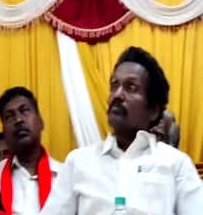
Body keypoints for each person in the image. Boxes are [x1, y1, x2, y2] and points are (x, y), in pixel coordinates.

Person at [41, 46, 203, 214]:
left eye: (131, 87)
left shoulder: (176, 164)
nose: (117, 94)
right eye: (114, 85)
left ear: (153, 110)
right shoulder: (78, 162)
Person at [0, 87, 62, 214]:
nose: (18, 120)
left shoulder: (65, 177)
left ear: (40, 122)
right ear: (4, 131)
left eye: (25, 111)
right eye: (9, 116)